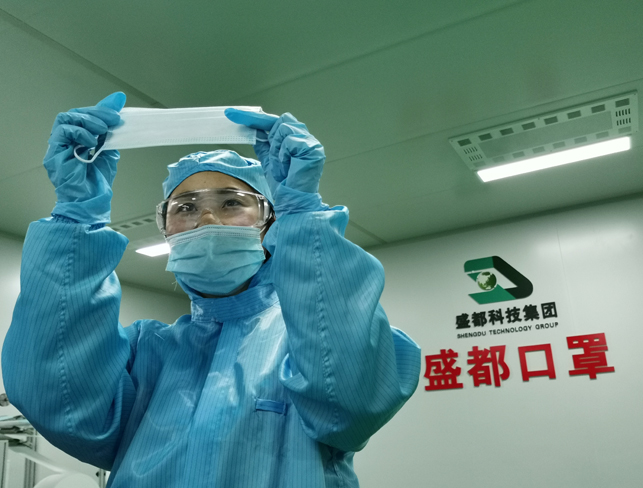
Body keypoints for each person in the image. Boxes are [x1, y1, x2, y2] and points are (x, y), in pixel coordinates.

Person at [2, 92, 421, 488]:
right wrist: (76, 215)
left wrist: (305, 216)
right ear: (166, 229)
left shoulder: (303, 339)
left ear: (270, 221)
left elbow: (350, 405)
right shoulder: (146, 353)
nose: (205, 219)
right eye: (185, 207)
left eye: (231, 202)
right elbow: (63, 404)